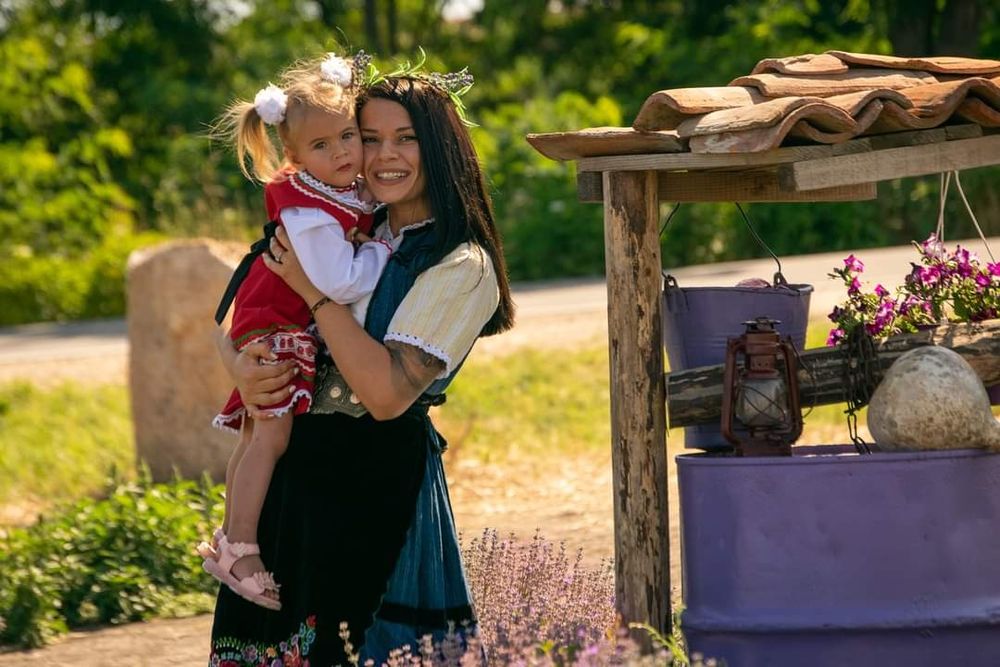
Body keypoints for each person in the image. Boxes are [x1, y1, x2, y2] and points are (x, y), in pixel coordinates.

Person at [207, 59, 515, 665]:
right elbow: (241, 302)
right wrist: (241, 367)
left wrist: (317, 296)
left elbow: (385, 395)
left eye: (406, 138)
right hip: (296, 474)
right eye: (368, 137)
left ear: (442, 148)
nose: (381, 155)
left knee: (356, 648)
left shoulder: (460, 265)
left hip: (376, 485)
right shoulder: (340, 220)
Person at [199, 52, 392, 611]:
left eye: (348, 137)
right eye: (322, 146)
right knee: (273, 438)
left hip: (262, 318)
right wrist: (379, 249)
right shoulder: (308, 208)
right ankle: (242, 547)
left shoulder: (327, 194)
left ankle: (228, 535)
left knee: (253, 437)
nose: (342, 153)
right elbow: (339, 280)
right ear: (295, 155)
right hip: (279, 324)